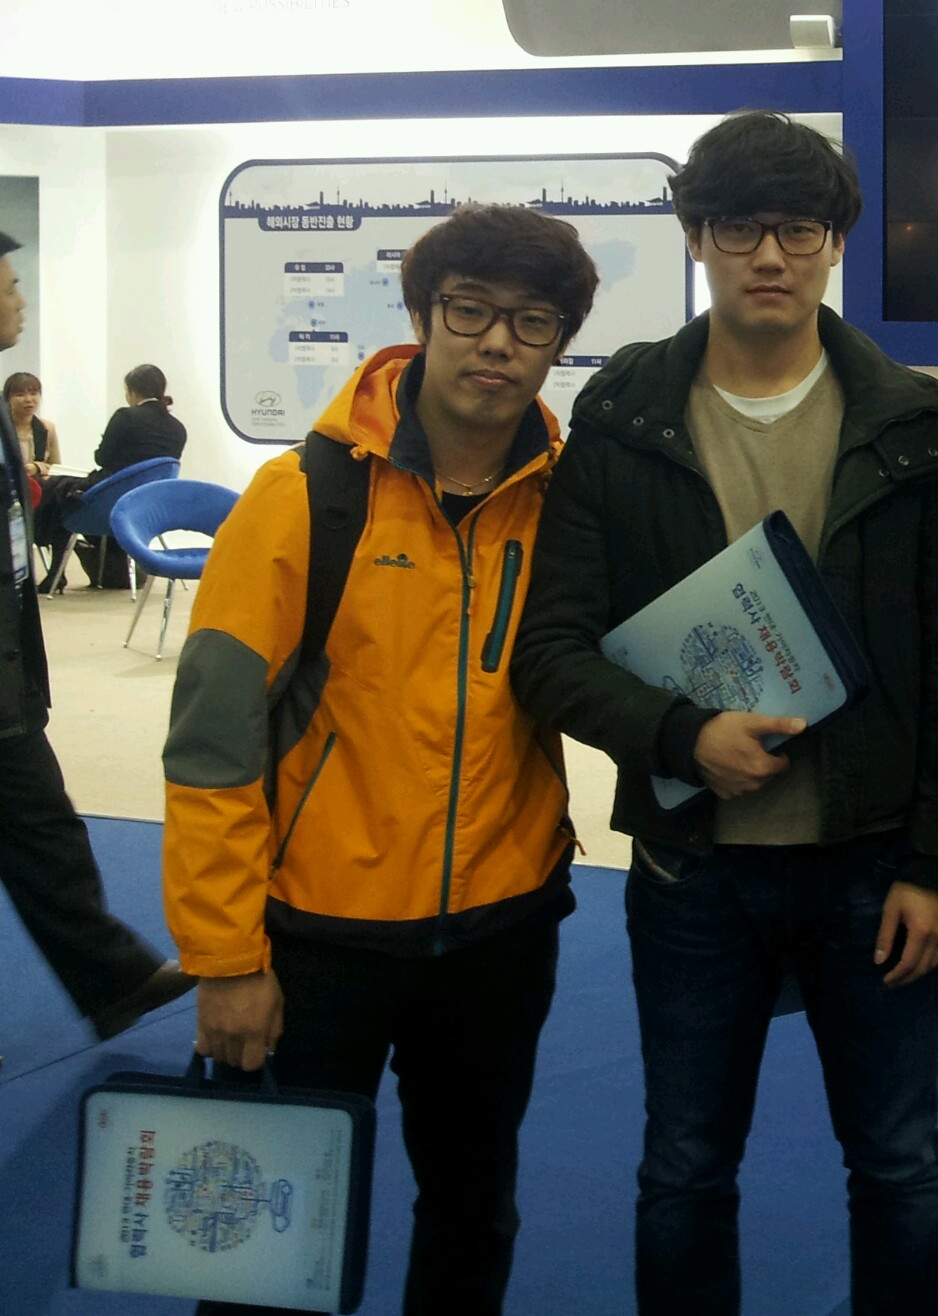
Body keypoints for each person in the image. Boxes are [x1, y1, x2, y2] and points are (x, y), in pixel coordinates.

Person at [510, 111, 938, 1316]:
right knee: (682, 1169)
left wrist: (935, 864)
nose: (769, 254)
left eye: (798, 229)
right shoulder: (624, 418)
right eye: (737, 227)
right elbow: (550, 651)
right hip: (693, 871)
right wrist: (679, 736)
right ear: (696, 238)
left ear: (835, 244)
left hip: (872, 866)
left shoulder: (913, 424)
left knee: (901, 1167)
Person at [164, 203, 600, 1315]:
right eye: (470, 310)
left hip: (500, 932)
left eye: (533, 322)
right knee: (267, 1243)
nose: (497, 343)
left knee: (472, 1210)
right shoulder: (303, 497)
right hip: (316, 941)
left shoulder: (569, 504)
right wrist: (225, 959)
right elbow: (212, 748)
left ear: (559, 343)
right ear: (421, 316)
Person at [0, 230, 193, 1056]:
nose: (21, 299)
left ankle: (114, 979)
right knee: (38, 824)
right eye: (10, 285)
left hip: (9, 674)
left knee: (44, 828)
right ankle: (114, 978)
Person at [36, 361, 190, 592]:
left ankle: (55, 571)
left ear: (132, 391)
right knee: (64, 491)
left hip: (109, 499)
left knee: (58, 493)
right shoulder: (178, 428)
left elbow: (102, 458)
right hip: (148, 504)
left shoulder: (126, 416)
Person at [6, 371, 60, 482]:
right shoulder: (3, 428)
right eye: (20, 395)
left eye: (33, 393)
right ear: (8, 399)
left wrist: (37, 467)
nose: (28, 399)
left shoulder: (47, 428)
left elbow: (56, 468)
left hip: (38, 487)